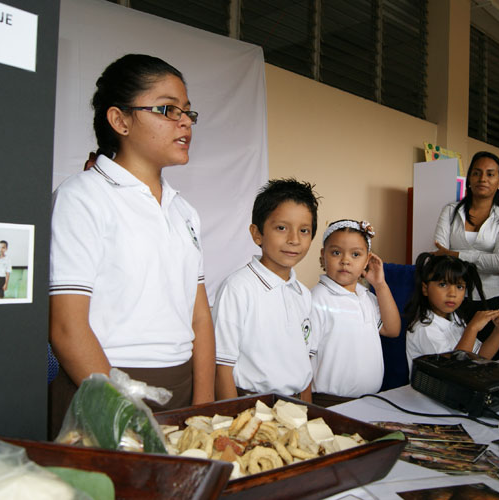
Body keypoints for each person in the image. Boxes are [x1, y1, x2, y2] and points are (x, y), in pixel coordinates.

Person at [49, 54, 215, 436]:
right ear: (120, 120)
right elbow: (65, 327)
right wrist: (121, 414)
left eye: (188, 112)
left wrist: (204, 406)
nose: (185, 122)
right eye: (167, 109)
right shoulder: (82, 197)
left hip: (181, 388)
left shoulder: (185, 212)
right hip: (99, 388)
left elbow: (200, 317)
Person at [213, 178, 320, 403]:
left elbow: (305, 365)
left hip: (296, 405)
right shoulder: (238, 288)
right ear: (257, 234)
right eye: (281, 228)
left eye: (304, 230)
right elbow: (222, 366)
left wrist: (308, 412)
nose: (294, 240)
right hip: (251, 406)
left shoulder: (304, 294)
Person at [309, 220, 400, 407]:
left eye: (356, 254)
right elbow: (304, 358)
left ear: (367, 261)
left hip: (369, 400)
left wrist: (380, 285)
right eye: (336, 253)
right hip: (329, 401)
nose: (345, 260)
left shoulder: (365, 296)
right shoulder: (318, 299)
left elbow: (392, 330)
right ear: (322, 256)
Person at [433, 151, 499, 346]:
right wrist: (484, 259)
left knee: (486, 367)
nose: (482, 179)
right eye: (476, 173)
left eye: (490, 174)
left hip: (493, 302)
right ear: (469, 179)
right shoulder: (450, 211)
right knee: (453, 361)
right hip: (452, 299)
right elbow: (440, 258)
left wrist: (455, 254)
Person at [404, 253, 499, 374]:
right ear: (425, 289)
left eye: (460, 287)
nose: (452, 293)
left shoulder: (455, 319)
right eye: (443, 284)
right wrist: (472, 329)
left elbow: (480, 357)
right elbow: (453, 372)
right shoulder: (423, 329)